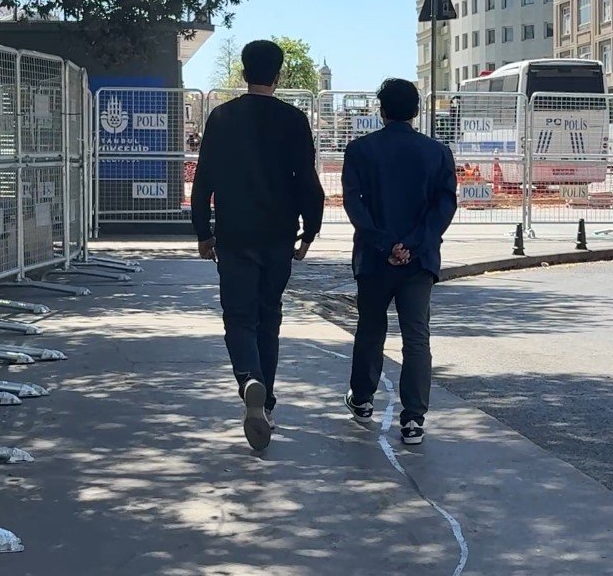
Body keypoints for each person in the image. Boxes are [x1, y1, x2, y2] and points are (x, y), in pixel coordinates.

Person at [190, 40, 325, 451]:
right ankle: (265, 402)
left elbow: (204, 180)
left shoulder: (222, 118)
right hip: (279, 236)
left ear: (245, 72)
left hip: (235, 235)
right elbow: (308, 182)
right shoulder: (294, 120)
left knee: (239, 316)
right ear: (278, 75)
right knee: (270, 316)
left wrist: (203, 233)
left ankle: (249, 377)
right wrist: (310, 231)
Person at [340, 78, 457, 445]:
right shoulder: (438, 153)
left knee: (370, 329)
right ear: (416, 111)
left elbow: (354, 203)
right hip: (419, 261)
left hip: (374, 259)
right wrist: (415, 245)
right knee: (416, 336)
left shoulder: (360, 150)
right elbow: (444, 206)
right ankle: (413, 418)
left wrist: (385, 244)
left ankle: (362, 399)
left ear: (382, 110)